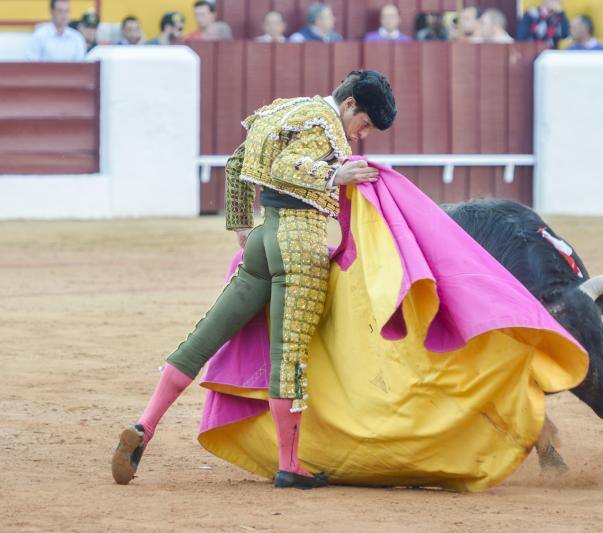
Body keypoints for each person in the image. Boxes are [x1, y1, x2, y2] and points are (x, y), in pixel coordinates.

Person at [111, 70, 397, 490]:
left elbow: (238, 162)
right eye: (365, 123)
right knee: (289, 356)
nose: (362, 134)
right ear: (351, 104)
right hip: (299, 243)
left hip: (265, 238)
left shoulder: (286, 110)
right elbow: (284, 166)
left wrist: (243, 227)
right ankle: (290, 465)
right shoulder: (325, 124)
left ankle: (144, 426)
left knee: (204, 337)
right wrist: (334, 176)